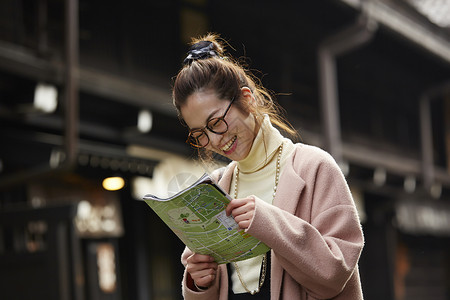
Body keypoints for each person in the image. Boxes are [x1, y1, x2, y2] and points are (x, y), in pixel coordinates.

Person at [172, 33, 364, 300]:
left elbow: (335, 274)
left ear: (247, 99)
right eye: (200, 133)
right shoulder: (215, 186)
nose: (214, 140)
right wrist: (201, 283)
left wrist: (267, 221)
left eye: (216, 122)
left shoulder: (314, 167)